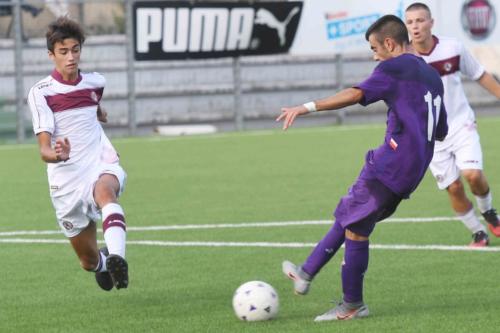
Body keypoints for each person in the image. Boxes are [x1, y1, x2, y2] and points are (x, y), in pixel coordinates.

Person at [277, 15, 447, 321]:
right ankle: (306, 272)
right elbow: (441, 130)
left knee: (355, 229)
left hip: (390, 165)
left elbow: (356, 94)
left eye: (374, 48)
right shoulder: (432, 75)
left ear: (390, 44)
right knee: (352, 215)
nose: (374, 56)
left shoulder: (394, 66)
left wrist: (307, 107)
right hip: (411, 171)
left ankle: (352, 304)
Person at [27, 16, 129, 291]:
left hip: (99, 160)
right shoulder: (41, 93)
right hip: (66, 179)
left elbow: (92, 102)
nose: (71, 57)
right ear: (51, 55)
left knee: (106, 193)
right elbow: (44, 150)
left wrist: (99, 113)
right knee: (87, 260)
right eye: (63, 52)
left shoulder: (96, 82)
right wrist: (57, 154)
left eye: (75, 50)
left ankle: (119, 258)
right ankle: (106, 263)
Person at [405, 3, 500, 247]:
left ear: (431, 22)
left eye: (420, 20)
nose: (415, 26)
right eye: (410, 22)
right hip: (430, 137)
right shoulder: (405, 60)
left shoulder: (452, 47)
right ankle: (478, 232)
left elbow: (479, 74)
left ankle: (489, 212)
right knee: (454, 187)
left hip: (460, 124)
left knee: (472, 175)